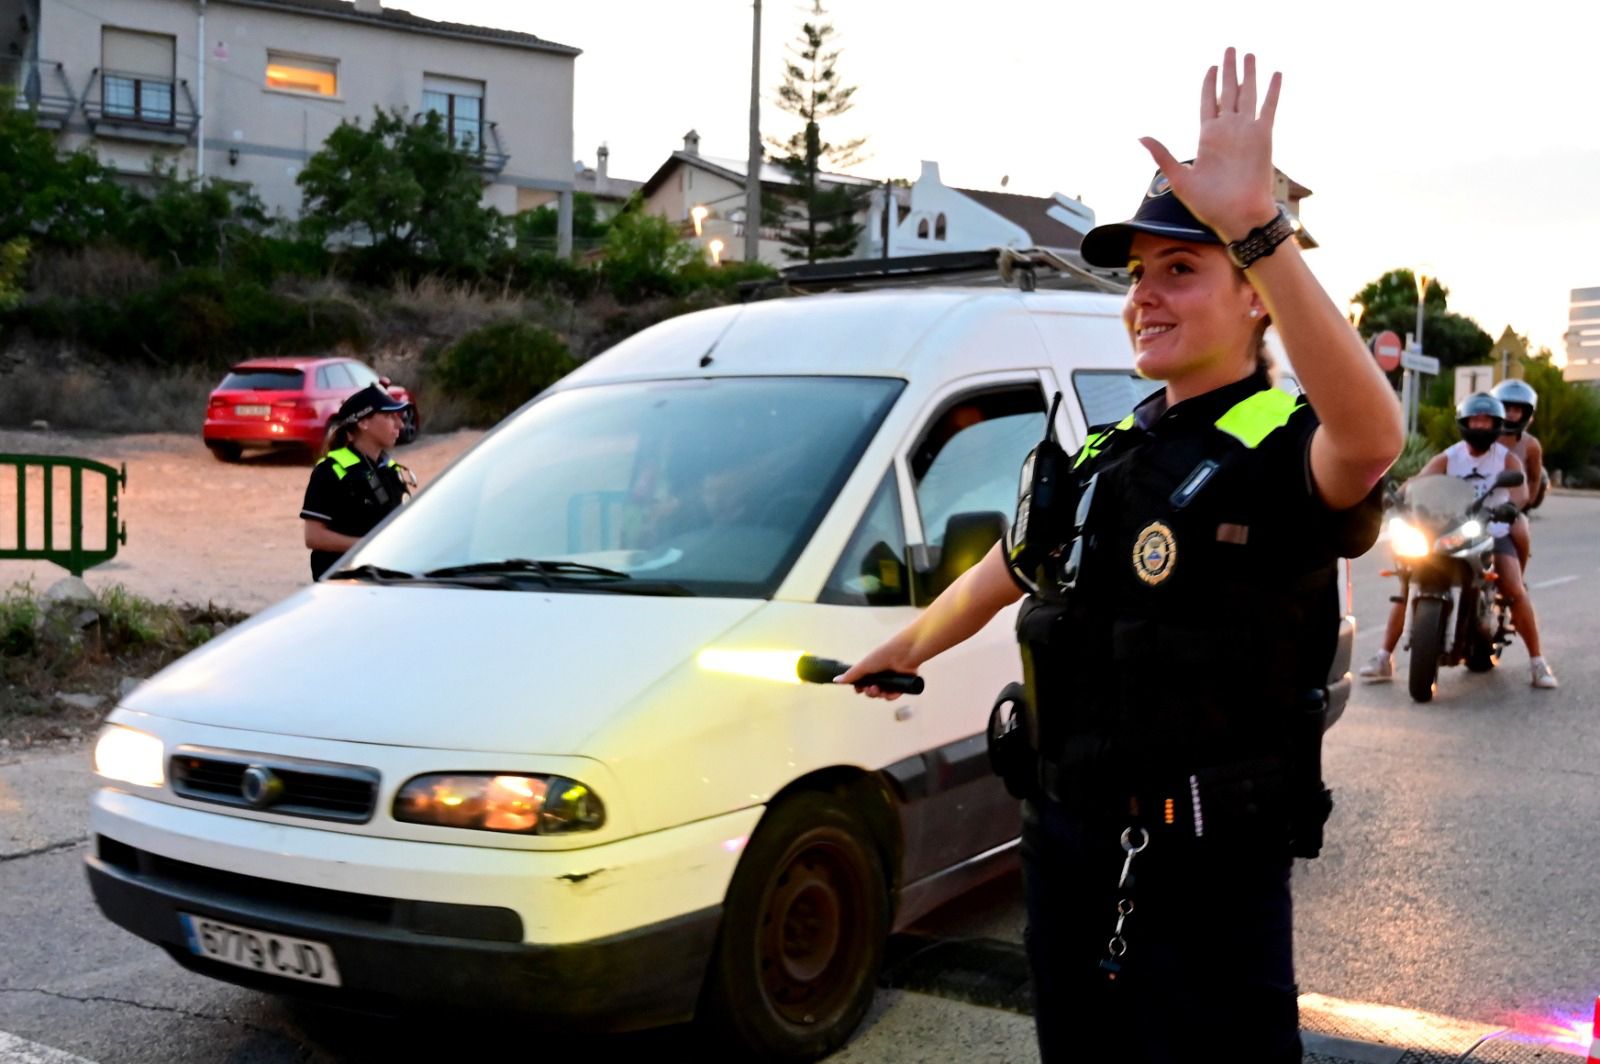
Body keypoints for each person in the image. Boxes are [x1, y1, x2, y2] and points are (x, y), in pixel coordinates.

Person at [839, 49, 1402, 1064]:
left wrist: (1259, 232)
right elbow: (1009, 567)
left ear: (1255, 298)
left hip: (1208, 871)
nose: (1144, 294)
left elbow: (1370, 439)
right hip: (1064, 844)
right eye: (1137, 273)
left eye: (1180, 268)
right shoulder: (1111, 446)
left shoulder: (1281, 441)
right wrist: (906, 644)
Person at [1359, 392, 1557, 688]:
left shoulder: (1507, 459)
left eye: (1486, 420)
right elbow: (1420, 482)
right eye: (1474, 420)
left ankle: (1538, 663)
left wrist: (1510, 507)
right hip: (1448, 530)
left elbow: (1521, 491)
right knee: (1407, 582)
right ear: (1464, 423)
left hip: (1492, 530)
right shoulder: (1449, 457)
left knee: (1514, 588)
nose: (1479, 425)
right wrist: (1395, 499)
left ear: (1496, 424)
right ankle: (1383, 657)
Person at [300, 383, 416, 580]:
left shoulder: (390, 469)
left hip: (386, 582)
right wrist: (368, 545)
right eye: (389, 416)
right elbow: (314, 537)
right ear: (363, 423)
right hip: (343, 588)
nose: (400, 425)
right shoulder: (330, 471)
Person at [1491, 377, 1544, 571]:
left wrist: (1523, 504)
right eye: (1507, 409)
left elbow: (1535, 477)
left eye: (1517, 410)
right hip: (1479, 500)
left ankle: (1517, 576)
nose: (1512, 414)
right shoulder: (1484, 437)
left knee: (1520, 532)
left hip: (1512, 506)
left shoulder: (1531, 445)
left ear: (1526, 414)